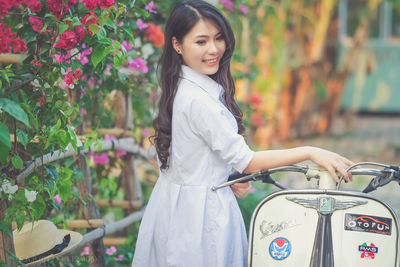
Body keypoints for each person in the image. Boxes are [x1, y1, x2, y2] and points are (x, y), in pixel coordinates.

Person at [132, 1, 353, 266]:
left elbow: (191, 156)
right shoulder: (198, 100)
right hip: (200, 221)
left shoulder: (179, 84)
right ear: (177, 45)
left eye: (218, 38)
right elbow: (246, 160)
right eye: (201, 42)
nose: (213, 49)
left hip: (176, 211)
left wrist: (226, 176)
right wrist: (310, 152)